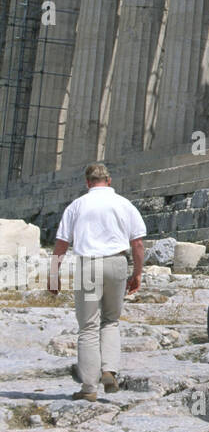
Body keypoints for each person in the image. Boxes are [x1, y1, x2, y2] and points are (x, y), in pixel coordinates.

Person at [48, 163, 147, 401]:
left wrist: (54, 273)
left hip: (89, 266)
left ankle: (89, 388)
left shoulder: (77, 205)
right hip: (117, 263)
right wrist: (138, 272)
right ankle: (109, 370)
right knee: (111, 320)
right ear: (109, 181)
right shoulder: (124, 204)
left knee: (88, 326)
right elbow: (138, 244)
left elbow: (62, 244)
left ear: (87, 182)